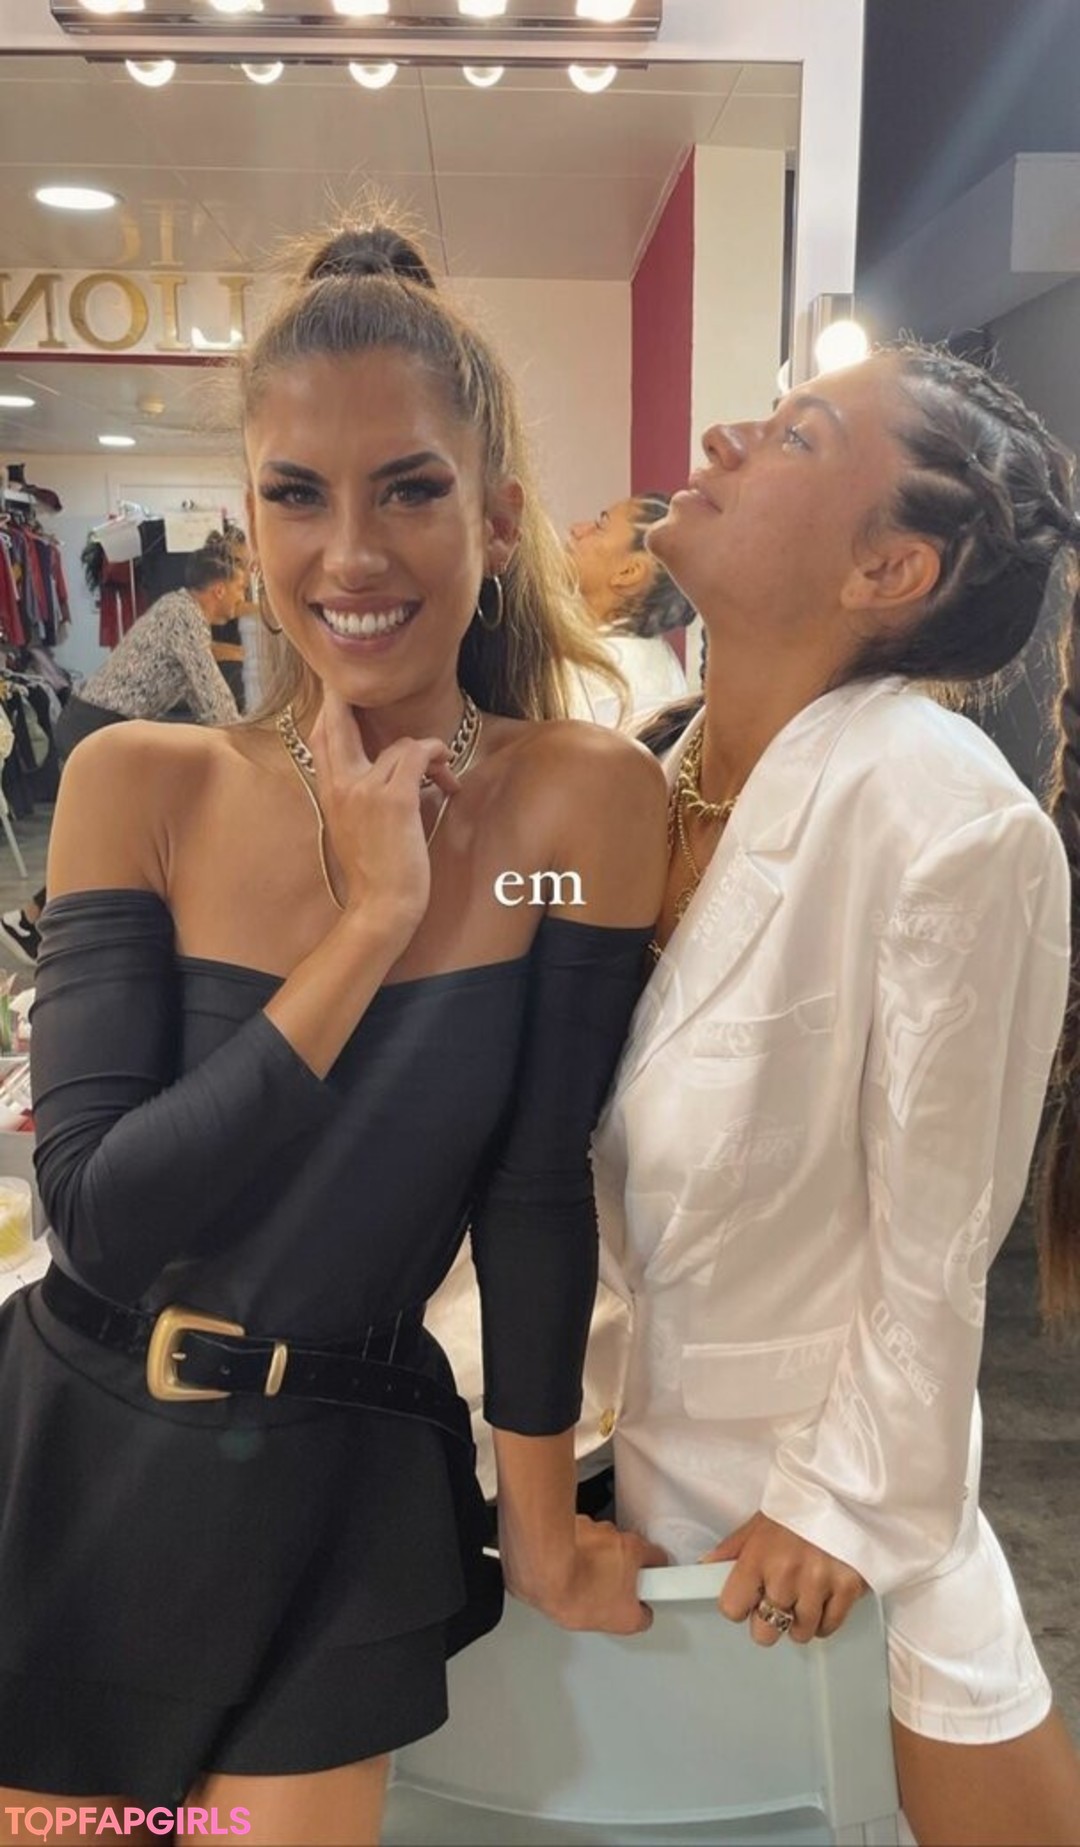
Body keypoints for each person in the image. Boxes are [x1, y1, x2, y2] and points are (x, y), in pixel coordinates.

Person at [0, 221, 668, 1847]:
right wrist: (371, 924)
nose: (350, 552)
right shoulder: (141, 785)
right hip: (77, 1460)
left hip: (345, 1485)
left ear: (496, 518)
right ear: (251, 519)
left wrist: (544, 1526)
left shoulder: (577, 808)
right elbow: (104, 1213)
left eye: (410, 489)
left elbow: (532, 1181)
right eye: (298, 494)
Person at [590, 345, 1080, 1847]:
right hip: (598, 1496)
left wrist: (842, 1504)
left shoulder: (942, 818)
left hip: (805, 1536)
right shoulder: (633, 779)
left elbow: (941, 1243)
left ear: (889, 567)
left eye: (798, 435)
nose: (726, 432)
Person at [0, 534, 244, 967]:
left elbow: (198, 679)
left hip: (98, 724)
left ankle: (35, 920)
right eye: (242, 588)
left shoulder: (179, 609)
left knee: (114, 837)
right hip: (98, 727)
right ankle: (29, 920)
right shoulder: (184, 616)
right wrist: (250, 741)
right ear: (220, 589)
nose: (243, 599)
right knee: (113, 838)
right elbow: (214, 700)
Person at [565, 494, 693, 726]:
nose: (576, 529)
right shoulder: (656, 660)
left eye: (600, 526)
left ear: (628, 572)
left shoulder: (600, 674)